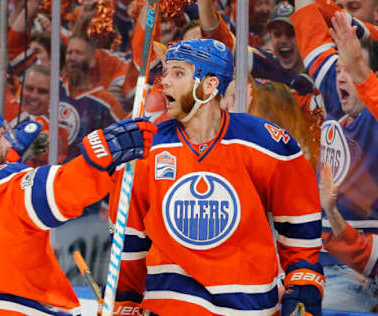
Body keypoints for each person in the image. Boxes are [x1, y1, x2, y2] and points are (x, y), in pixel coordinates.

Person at [108, 39, 324, 315]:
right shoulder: (147, 150)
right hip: (170, 307)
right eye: (164, 73)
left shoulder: (265, 142)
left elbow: (298, 220)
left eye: (178, 73)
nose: (164, 84)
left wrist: (303, 282)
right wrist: (124, 299)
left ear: (209, 86)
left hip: (248, 308)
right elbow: (130, 238)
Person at [0, 102, 157, 315]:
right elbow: (65, 189)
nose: (7, 142)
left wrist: (12, 152)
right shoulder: (3, 187)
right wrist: (102, 151)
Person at [292, 0, 378, 312]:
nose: (340, 76)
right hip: (329, 261)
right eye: (338, 68)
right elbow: (305, 11)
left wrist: (368, 32)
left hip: (366, 262)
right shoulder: (334, 89)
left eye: (350, 69)